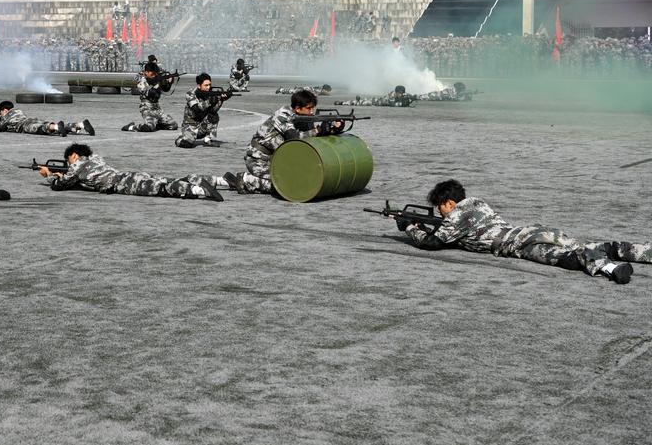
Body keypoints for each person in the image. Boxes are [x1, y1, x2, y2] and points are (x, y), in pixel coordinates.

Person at [398, 179, 649, 284]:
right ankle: (642, 251)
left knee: (567, 258)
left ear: (450, 203)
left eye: (440, 207)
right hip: (530, 231)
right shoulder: (477, 203)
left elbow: (433, 243)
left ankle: (611, 268)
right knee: (587, 246)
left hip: (519, 245)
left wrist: (409, 228)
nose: (440, 212)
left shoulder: (457, 214)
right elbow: (460, 234)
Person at [224, 89, 345, 194]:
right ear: (297, 108)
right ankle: (245, 179)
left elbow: (310, 140)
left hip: (276, 159)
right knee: (282, 187)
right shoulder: (283, 116)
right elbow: (294, 140)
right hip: (258, 159)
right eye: (309, 108)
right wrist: (318, 130)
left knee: (297, 181)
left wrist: (332, 129)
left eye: (313, 108)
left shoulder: (305, 118)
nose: (312, 111)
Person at [37, 143, 223, 201]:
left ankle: (199, 190)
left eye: (69, 159)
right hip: (128, 176)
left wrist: (50, 175)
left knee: (161, 189)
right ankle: (221, 181)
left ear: (74, 155)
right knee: (165, 180)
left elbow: (60, 185)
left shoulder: (77, 166)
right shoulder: (95, 158)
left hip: (123, 183)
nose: (69, 163)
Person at [175, 73, 235, 148]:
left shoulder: (210, 93)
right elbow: (196, 109)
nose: (208, 87)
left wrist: (221, 100)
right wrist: (209, 101)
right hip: (190, 126)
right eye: (206, 85)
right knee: (187, 144)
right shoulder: (191, 94)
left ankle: (208, 140)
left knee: (213, 116)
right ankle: (181, 139)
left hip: (202, 126)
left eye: (209, 85)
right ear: (199, 86)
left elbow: (213, 110)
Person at [121, 63, 179, 132]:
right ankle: (131, 127)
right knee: (148, 128)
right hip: (147, 108)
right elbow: (150, 93)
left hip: (157, 108)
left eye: (155, 74)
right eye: (152, 74)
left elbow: (166, 89)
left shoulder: (156, 79)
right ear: (146, 72)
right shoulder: (142, 80)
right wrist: (157, 85)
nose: (154, 75)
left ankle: (157, 124)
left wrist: (169, 83)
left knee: (173, 125)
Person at [0, 101, 94, 137]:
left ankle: (56, 126)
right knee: (45, 125)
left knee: (41, 128)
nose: (1, 115)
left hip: (24, 125)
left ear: (5, 110)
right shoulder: (18, 111)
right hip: (31, 120)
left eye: (1, 113)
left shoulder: (8, 115)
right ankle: (80, 125)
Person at [335, 85, 414, 107]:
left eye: (401, 93)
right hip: (375, 102)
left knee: (361, 102)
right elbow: (394, 104)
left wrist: (412, 98)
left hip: (377, 101)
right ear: (396, 92)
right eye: (399, 93)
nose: (400, 94)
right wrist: (406, 102)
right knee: (360, 102)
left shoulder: (403, 96)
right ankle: (342, 103)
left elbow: (410, 97)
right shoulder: (391, 97)